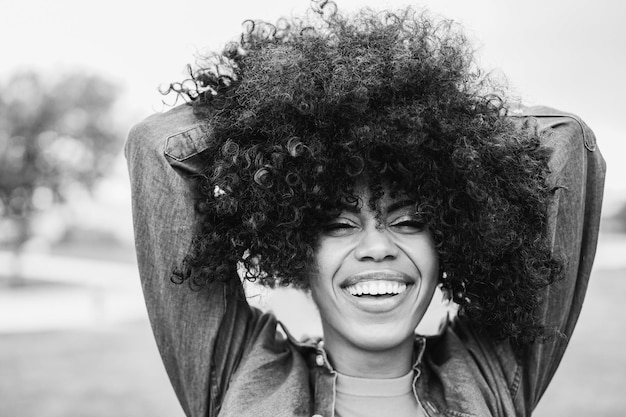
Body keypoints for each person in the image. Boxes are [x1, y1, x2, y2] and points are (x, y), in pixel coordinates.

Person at [125, 2, 605, 416]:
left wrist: (444, 123)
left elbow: (566, 144)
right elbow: (157, 148)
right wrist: (286, 113)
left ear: (453, 245)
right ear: (294, 251)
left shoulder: (489, 374)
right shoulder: (239, 374)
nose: (377, 247)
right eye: (338, 224)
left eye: (410, 221)